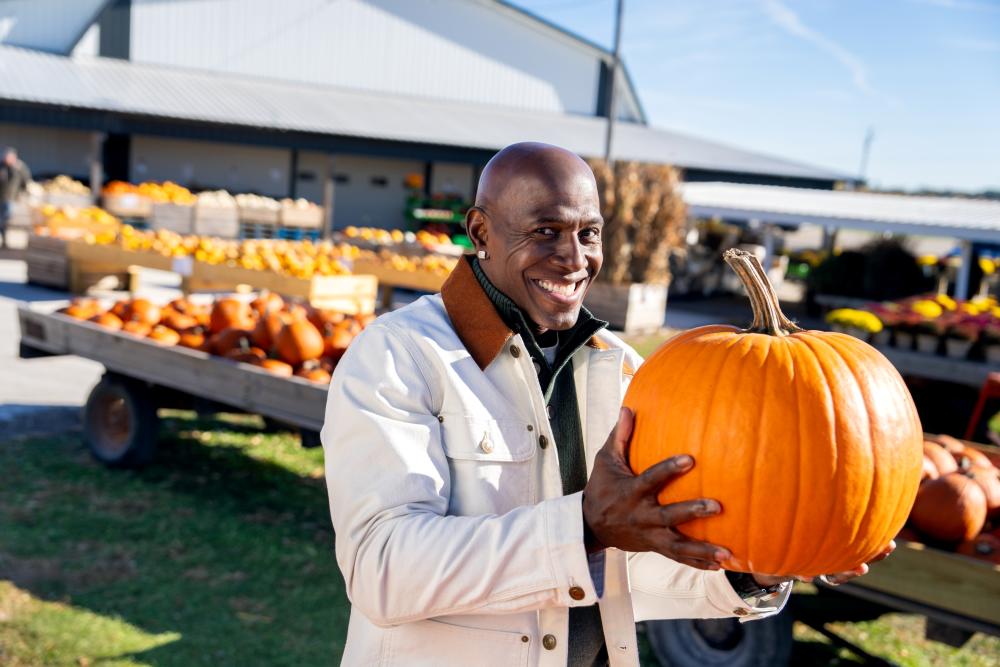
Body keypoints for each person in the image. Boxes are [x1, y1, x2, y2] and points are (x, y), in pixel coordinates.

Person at [322, 142, 891, 666]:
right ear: (481, 231)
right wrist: (586, 525)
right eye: (545, 231)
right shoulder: (401, 356)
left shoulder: (618, 368)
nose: (574, 259)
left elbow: (627, 564)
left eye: (588, 233)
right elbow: (383, 569)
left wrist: (757, 566)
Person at [0, 147, 31, 249]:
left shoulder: (19, 168)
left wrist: (22, 194)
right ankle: (3, 238)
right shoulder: (2, 167)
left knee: (6, 218)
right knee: (2, 219)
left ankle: (4, 238)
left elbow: (26, 181)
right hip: (1, 197)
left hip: (10, 197)